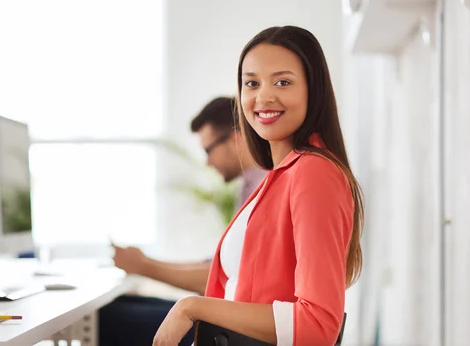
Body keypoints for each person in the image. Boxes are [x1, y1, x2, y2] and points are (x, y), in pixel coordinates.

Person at [152, 26, 365, 346]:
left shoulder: (314, 173)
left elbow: (319, 325)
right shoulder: (278, 175)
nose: (263, 96)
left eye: (283, 82)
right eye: (252, 83)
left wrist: (192, 307)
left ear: (313, 89)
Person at [98, 96, 267, 346]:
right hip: (227, 316)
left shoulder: (262, 188)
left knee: (106, 318)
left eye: (208, 150)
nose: (207, 162)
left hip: (233, 328)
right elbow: (219, 269)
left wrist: (143, 265)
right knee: (115, 307)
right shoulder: (249, 185)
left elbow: (224, 279)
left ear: (235, 138)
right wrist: (143, 262)